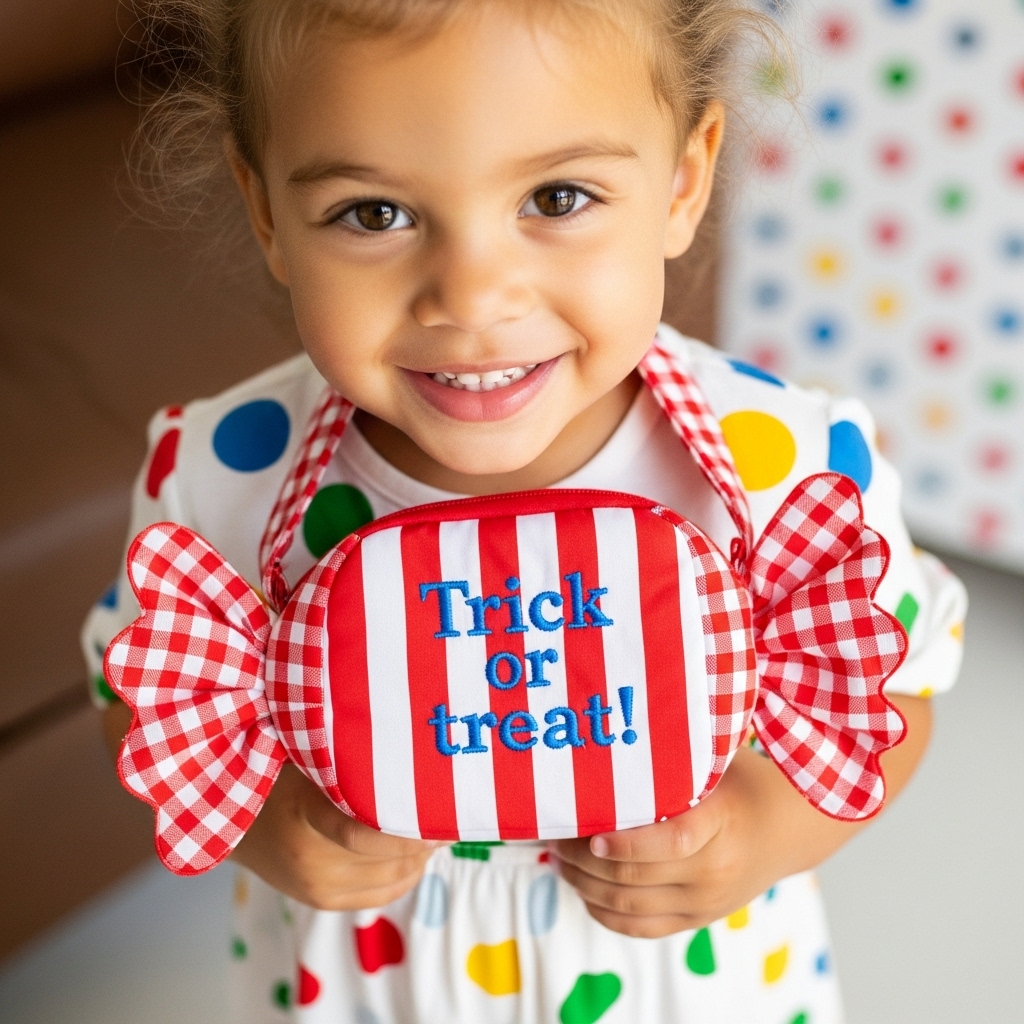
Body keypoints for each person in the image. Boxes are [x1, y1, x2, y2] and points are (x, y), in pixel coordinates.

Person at [81, 1, 967, 1021]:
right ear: (268, 209)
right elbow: (139, 695)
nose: (472, 295)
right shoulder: (221, 476)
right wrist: (264, 826)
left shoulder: (792, 466)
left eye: (557, 195)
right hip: (372, 983)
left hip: (683, 984)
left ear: (683, 177)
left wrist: (763, 832)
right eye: (375, 213)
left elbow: (897, 691)